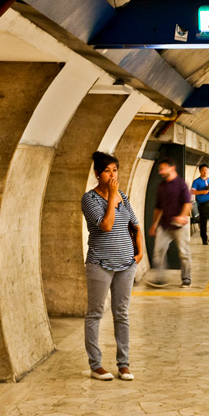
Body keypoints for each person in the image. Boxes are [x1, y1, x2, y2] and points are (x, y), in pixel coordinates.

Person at [81, 151, 145, 381]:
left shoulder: (123, 196)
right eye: (107, 170)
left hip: (126, 264)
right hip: (100, 263)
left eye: (115, 170)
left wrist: (138, 254)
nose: (112, 174)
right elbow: (106, 225)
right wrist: (111, 196)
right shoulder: (90, 199)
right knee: (96, 313)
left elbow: (135, 226)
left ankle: (124, 364)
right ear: (98, 173)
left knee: (122, 313)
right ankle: (95, 365)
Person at [147, 158, 193, 287]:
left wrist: (182, 216)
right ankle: (160, 278)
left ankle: (186, 278)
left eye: (162, 168)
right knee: (158, 252)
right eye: (160, 169)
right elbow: (158, 207)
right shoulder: (161, 186)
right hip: (164, 225)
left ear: (172, 168)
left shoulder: (181, 184)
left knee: (184, 253)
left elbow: (187, 203)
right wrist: (154, 224)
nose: (160, 171)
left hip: (179, 226)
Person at [191, 163, 209, 245]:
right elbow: (192, 191)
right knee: (203, 223)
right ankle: (204, 239)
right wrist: (202, 192)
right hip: (202, 204)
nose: (205, 172)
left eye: (206, 170)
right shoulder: (196, 181)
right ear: (200, 171)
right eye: (203, 170)